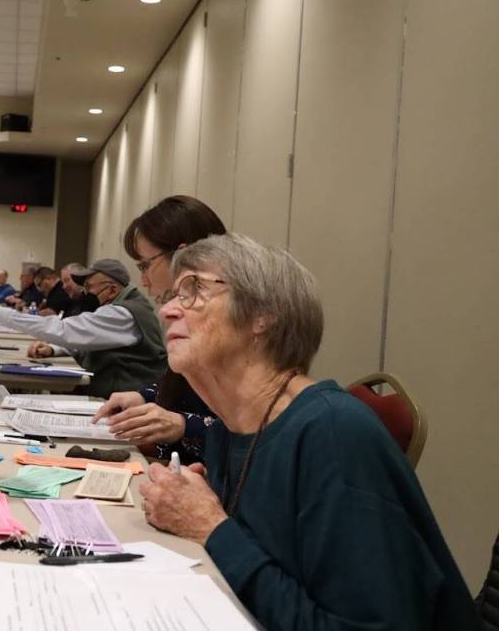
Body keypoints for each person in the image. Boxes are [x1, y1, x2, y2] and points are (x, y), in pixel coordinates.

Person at [138, 233, 479, 629]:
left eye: (194, 290)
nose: (167, 313)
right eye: (170, 297)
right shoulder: (229, 430)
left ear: (264, 315)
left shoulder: (333, 434)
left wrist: (211, 527)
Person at [92, 195, 227, 465]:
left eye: (145, 265)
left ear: (183, 255)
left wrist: (183, 425)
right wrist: (144, 396)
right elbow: (181, 385)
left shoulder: (229, 324)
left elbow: (255, 432)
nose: (143, 280)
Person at [0, 259, 167, 398]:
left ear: (112, 289)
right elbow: (90, 339)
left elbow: (63, 329)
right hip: (114, 395)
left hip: (121, 403)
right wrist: (54, 349)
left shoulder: (122, 314)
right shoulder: (124, 307)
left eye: (90, 287)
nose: (85, 292)